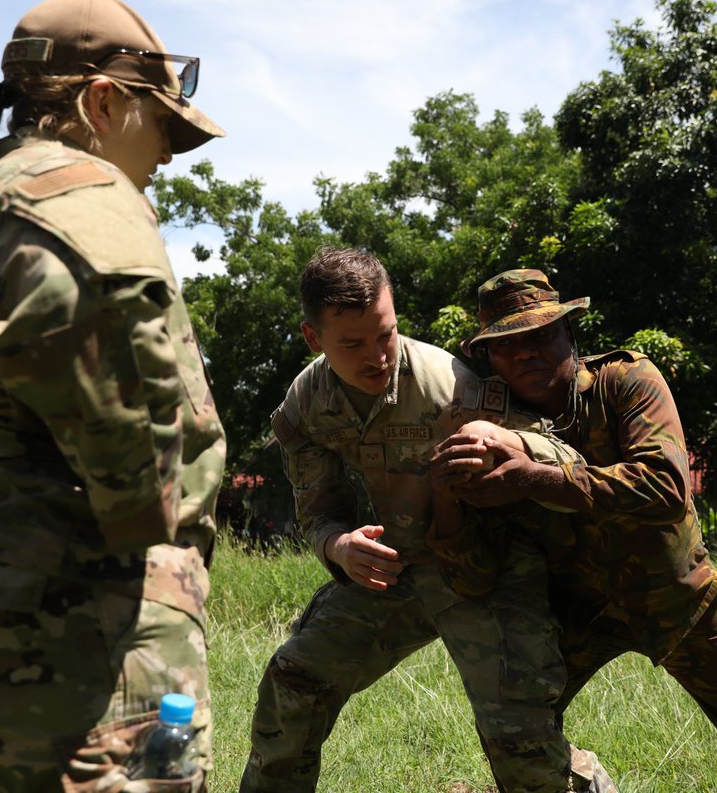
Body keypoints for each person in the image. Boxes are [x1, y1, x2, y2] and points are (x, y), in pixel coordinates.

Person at [0, 0, 226, 790]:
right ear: (102, 101)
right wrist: (153, 545)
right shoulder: (79, 193)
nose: (168, 157)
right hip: (69, 597)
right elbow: (101, 369)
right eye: (161, 126)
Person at [431, 269, 717, 793]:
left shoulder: (625, 381)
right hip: (579, 611)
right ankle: (587, 784)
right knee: (515, 726)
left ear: (569, 336)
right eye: (507, 347)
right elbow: (474, 576)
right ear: (489, 360)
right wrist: (444, 497)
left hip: (676, 598)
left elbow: (666, 489)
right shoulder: (491, 430)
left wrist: (534, 478)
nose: (526, 354)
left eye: (540, 337)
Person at [241, 247, 614, 793]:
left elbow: (569, 458)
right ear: (313, 338)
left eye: (386, 335)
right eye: (352, 344)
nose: (377, 357)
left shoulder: (452, 386)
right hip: (393, 570)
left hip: (487, 571)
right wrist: (339, 546)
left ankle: (586, 784)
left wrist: (513, 442)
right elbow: (318, 511)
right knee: (293, 683)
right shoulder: (307, 403)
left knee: (519, 741)